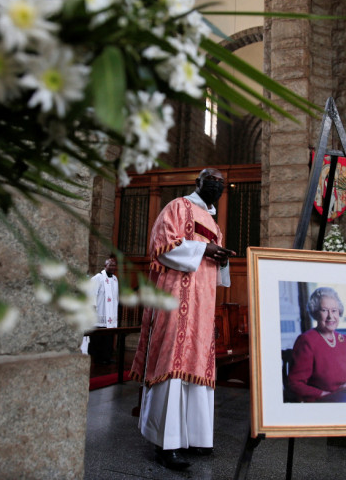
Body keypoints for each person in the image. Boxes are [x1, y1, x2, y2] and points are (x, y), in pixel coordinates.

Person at [130, 168, 236, 471]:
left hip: (203, 304)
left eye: (220, 184)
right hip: (176, 297)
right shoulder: (177, 207)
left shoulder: (214, 222)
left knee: (196, 365)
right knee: (173, 364)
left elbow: (218, 275)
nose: (215, 187)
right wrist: (205, 248)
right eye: (210, 181)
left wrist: (222, 258)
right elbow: (162, 246)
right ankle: (166, 443)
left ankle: (194, 436)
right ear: (197, 183)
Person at [287, 287, 346, 402]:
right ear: (315, 313)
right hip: (326, 404)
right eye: (324, 310)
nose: (330, 316)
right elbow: (295, 383)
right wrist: (329, 394)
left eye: (334, 310)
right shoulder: (306, 341)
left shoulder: (344, 340)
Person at [88, 256, 119, 364]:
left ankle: (107, 356)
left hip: (110, 314)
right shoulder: (98, 278)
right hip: (100, 312)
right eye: (110, 265)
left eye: (114, 265)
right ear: (105, 266)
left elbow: (115, 298)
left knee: (108, 337)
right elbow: (92, 294)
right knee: (99, 337)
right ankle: (97, 358)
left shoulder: (115, 279)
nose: (112, 267)